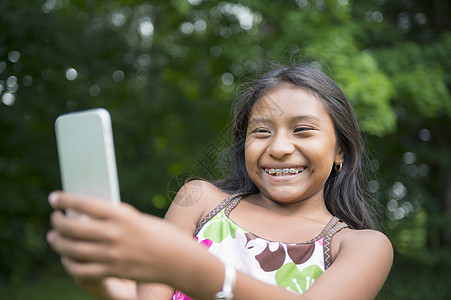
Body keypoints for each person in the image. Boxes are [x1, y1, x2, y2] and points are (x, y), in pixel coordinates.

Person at [47, 63, 393, 300]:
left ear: (340, 152)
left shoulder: (361, 246)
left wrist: (191, 269)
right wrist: (106, 285)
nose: (279, 148)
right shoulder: (199, 200)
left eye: (302, 130)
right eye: (261, 132)